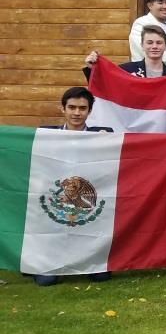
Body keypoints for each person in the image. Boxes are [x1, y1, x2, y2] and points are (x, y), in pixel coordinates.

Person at [29, 87, 113, 286]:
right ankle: (49, 262)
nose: (77, 113)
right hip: (54, 201)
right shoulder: (46, 134)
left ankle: (86, 260)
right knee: (46, 281)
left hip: (89, 202)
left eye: (82, 108)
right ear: (63, 109)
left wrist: (107, 142)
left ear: (89, 111)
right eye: (72, 107)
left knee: (101, 277)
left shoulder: (103, 134)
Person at [84, 25, 166, 79]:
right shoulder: (125, 70)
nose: (154, 46)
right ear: (142, 45)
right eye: (149, 43)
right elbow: (104, 85)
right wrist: (92, 69)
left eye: (159, 43)